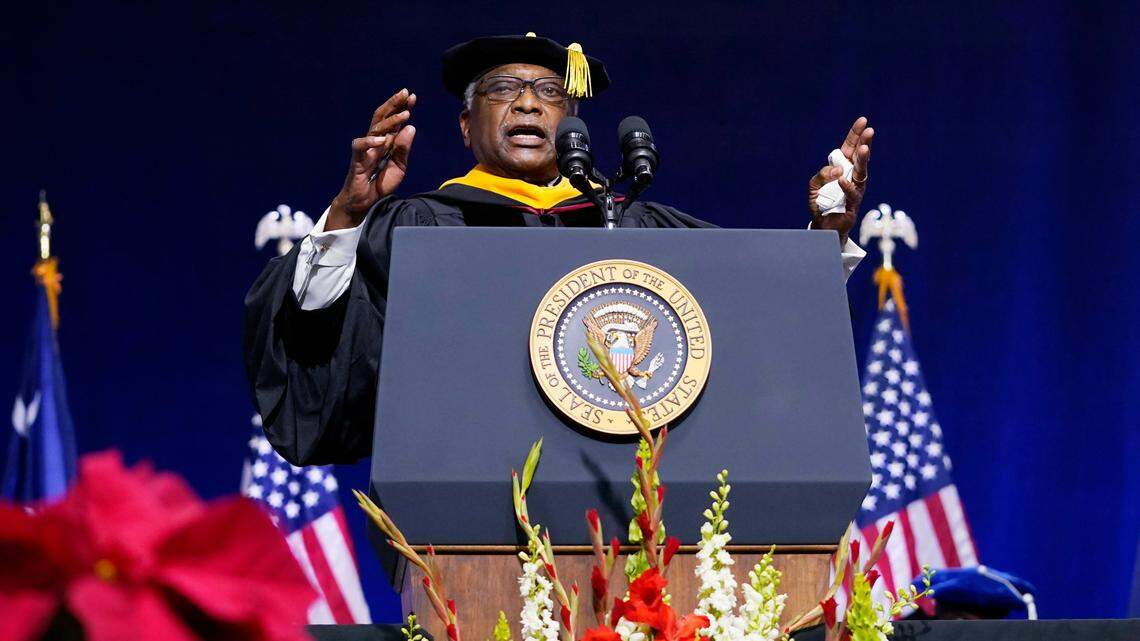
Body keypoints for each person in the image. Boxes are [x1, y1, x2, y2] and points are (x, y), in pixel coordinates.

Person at [244, 33, 875, 465]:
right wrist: (349, 214)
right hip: (464, 500)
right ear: (465, 126)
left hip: (638, 509)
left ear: (571, 122)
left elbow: (754, 315)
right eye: (504, 89)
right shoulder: (417, 227)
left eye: (550, 93)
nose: (528, 102)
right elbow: (321, 339)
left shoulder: (636, 226)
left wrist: (825, 240)